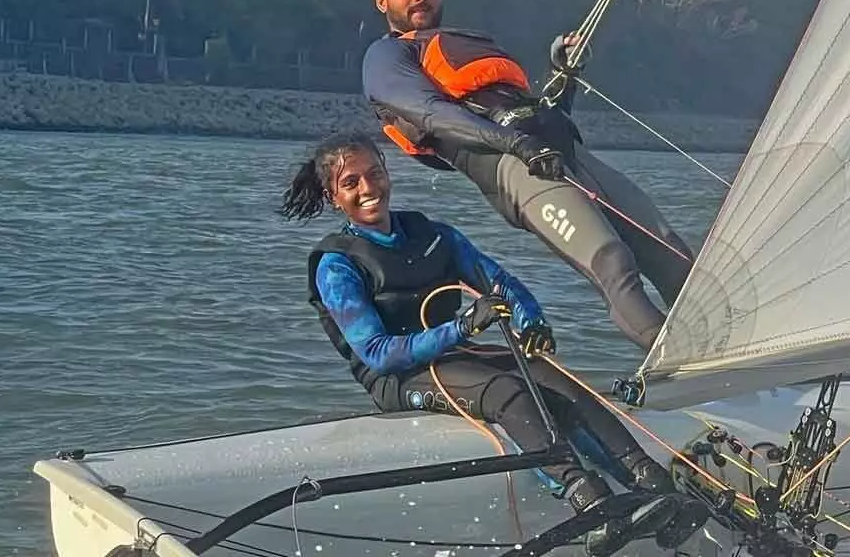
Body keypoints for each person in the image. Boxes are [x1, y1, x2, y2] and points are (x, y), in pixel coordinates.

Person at [281, 131, 708, 556]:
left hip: (454, 355)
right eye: (351, 183)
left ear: (388, 173)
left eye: (374, 173)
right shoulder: (336, 264)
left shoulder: (431, 234)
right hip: (398, 377)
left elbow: (500, 282)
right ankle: (590, 500)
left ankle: (656, 487)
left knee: (555, 379)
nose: (368, 188)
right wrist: (462, 328)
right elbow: (378, 353)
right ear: (333, 196)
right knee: (510, 392)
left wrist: (531, 320)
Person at [359, 0, 695, 354]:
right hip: (516, 171)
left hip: (564, 154)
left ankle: (727, 357)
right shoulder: (386, 56)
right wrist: (518, 145)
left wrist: (565, 75)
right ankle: (678, 361)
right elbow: (432, 115)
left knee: (671, 251)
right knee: (612, 262)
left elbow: (531, 115)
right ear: (383, 0)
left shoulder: (461, 43)